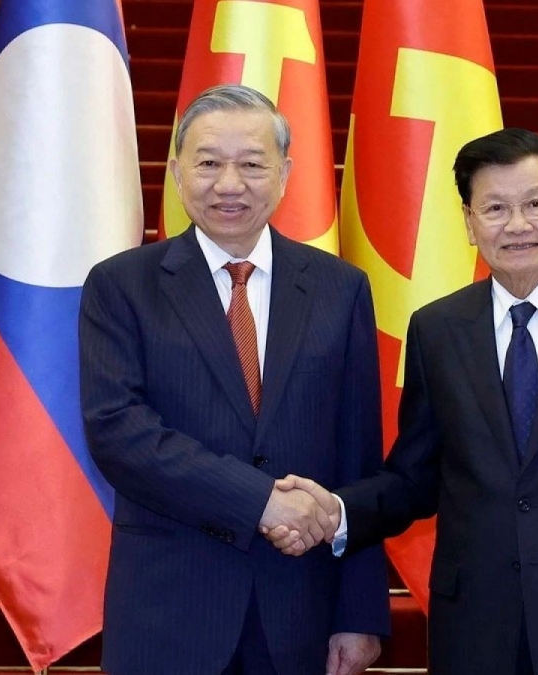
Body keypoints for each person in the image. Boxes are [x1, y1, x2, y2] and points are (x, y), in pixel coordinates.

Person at [270, 128, 538, 675]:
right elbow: (415, 478)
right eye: (495, 208)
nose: (517, 225)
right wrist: (337, 512)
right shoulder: (439, 329)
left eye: (535, 204)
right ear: (470, 223)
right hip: (476, 630)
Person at [79, 84, 389, 675]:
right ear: (175, 171)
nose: (229, 184)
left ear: (285, 173)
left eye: (251, 164)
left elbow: (359, 458)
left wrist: (359, 611)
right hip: (169, 612)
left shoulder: (339, 289)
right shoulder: (121, 286)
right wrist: (260, 503)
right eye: (208, 163)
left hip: (300, 610)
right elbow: (119, 434)